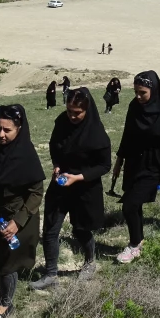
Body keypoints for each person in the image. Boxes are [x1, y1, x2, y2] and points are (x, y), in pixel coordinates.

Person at [30, 88, 111, 290]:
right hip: (61, 183)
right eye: (69, 111)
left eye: (77, 113)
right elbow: (54, 144)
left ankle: (90, 261)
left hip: (85, 187)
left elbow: (104, 165)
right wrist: (57, 165)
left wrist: (78, 177)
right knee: (50, 229)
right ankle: (50, 275)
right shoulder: (62, 122)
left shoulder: (96, 133)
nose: (72, 116)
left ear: (87, 110)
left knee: (80, 229)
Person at [0, 105, 45, 318]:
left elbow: (36, 193)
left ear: (19, 129)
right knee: (0, 255)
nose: (1, 135)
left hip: (19, 215)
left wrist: (18, 222)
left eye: (7, 130)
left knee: (9, 261)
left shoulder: (26, 153)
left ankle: (5, 304)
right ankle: (4, 295)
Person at [111, 71, 160, 264]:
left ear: (153, 89)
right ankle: (139, 240)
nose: (138, 96)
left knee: (129, 205)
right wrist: (119, 162)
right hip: (134, 161)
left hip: (153, 165)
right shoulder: (135, 107)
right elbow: (127, 135)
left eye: (142, 92)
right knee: (136, 204)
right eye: (135, 92)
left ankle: (134, 245)